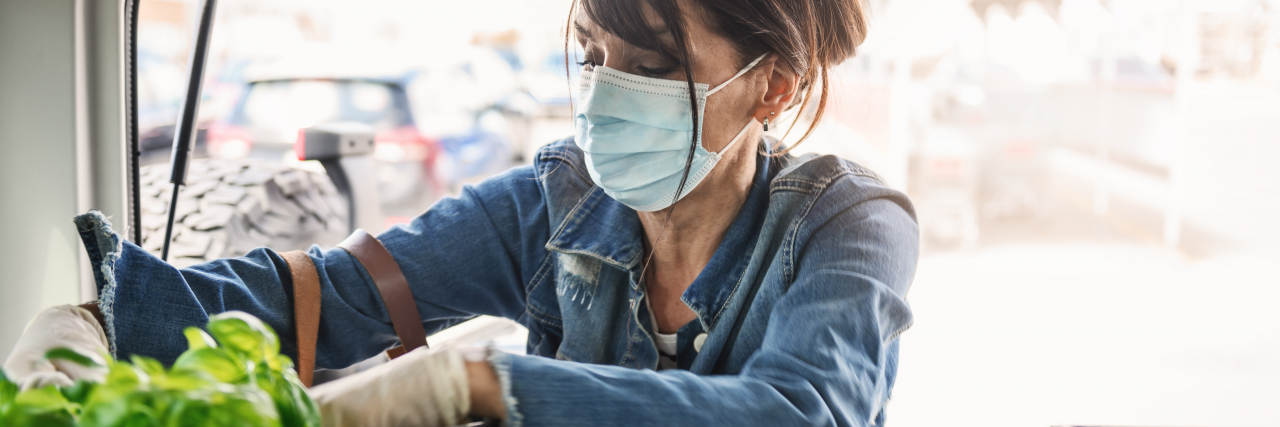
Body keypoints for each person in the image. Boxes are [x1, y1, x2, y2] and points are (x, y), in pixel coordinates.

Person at [4, 0, 918, 425]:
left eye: (646, 68)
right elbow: (336, 294)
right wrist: (107, 323)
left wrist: (483, 383)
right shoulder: (556, 206)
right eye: (593, 56)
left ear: (771, 87)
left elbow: (800, 412)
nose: (603, 92)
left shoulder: (849, 225)